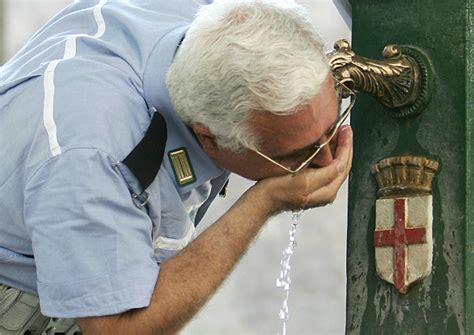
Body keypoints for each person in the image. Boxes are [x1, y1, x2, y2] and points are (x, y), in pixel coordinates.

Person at [0, 0, 353, 334]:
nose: (327, 160)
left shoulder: (222, 21)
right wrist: (263, 203)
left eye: (332, 126)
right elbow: (119, 327)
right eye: (299, 155)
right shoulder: (91, 158)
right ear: (210, 138)